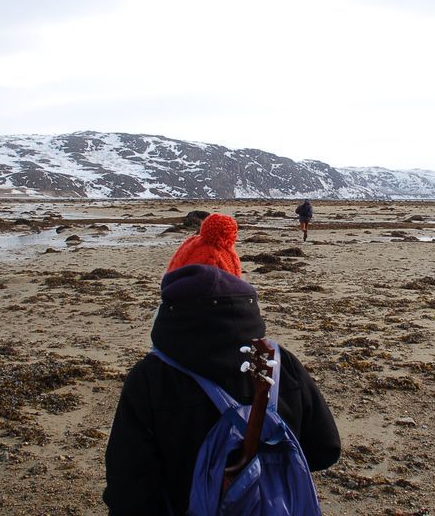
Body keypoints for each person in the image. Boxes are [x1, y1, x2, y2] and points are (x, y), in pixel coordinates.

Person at [103, 213, 341, 514]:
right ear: (238, 284)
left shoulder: (149, 379)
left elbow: (129, 493)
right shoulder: (280, 363)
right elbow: (325, 450)